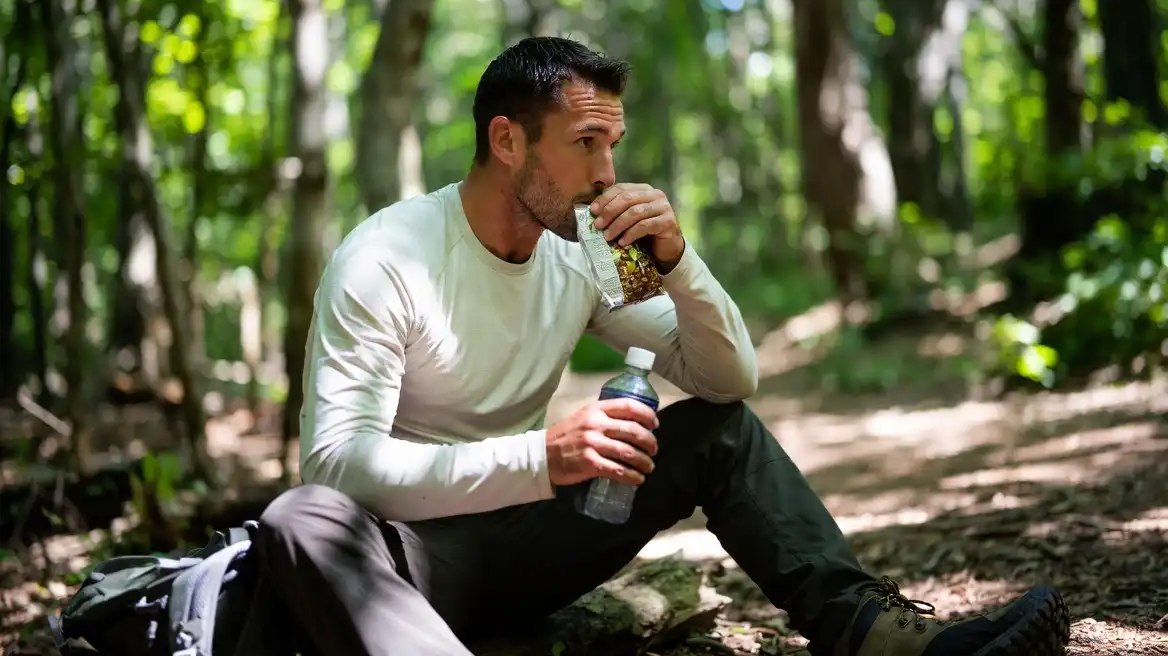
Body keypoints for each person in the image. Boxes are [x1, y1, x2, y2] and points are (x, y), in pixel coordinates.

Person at [253, 36, 1071, 656]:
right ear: (507, 141)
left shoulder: (584, 252)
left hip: (532, 544)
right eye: (585, 143)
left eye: (613, 143)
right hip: (408, 572)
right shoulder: (386, 257)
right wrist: (544, 456)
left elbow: (726, 378)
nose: (608, 171)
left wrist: (682, 265)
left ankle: (873, 633)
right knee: (303, 516)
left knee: (719, 432)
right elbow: (337, 466)